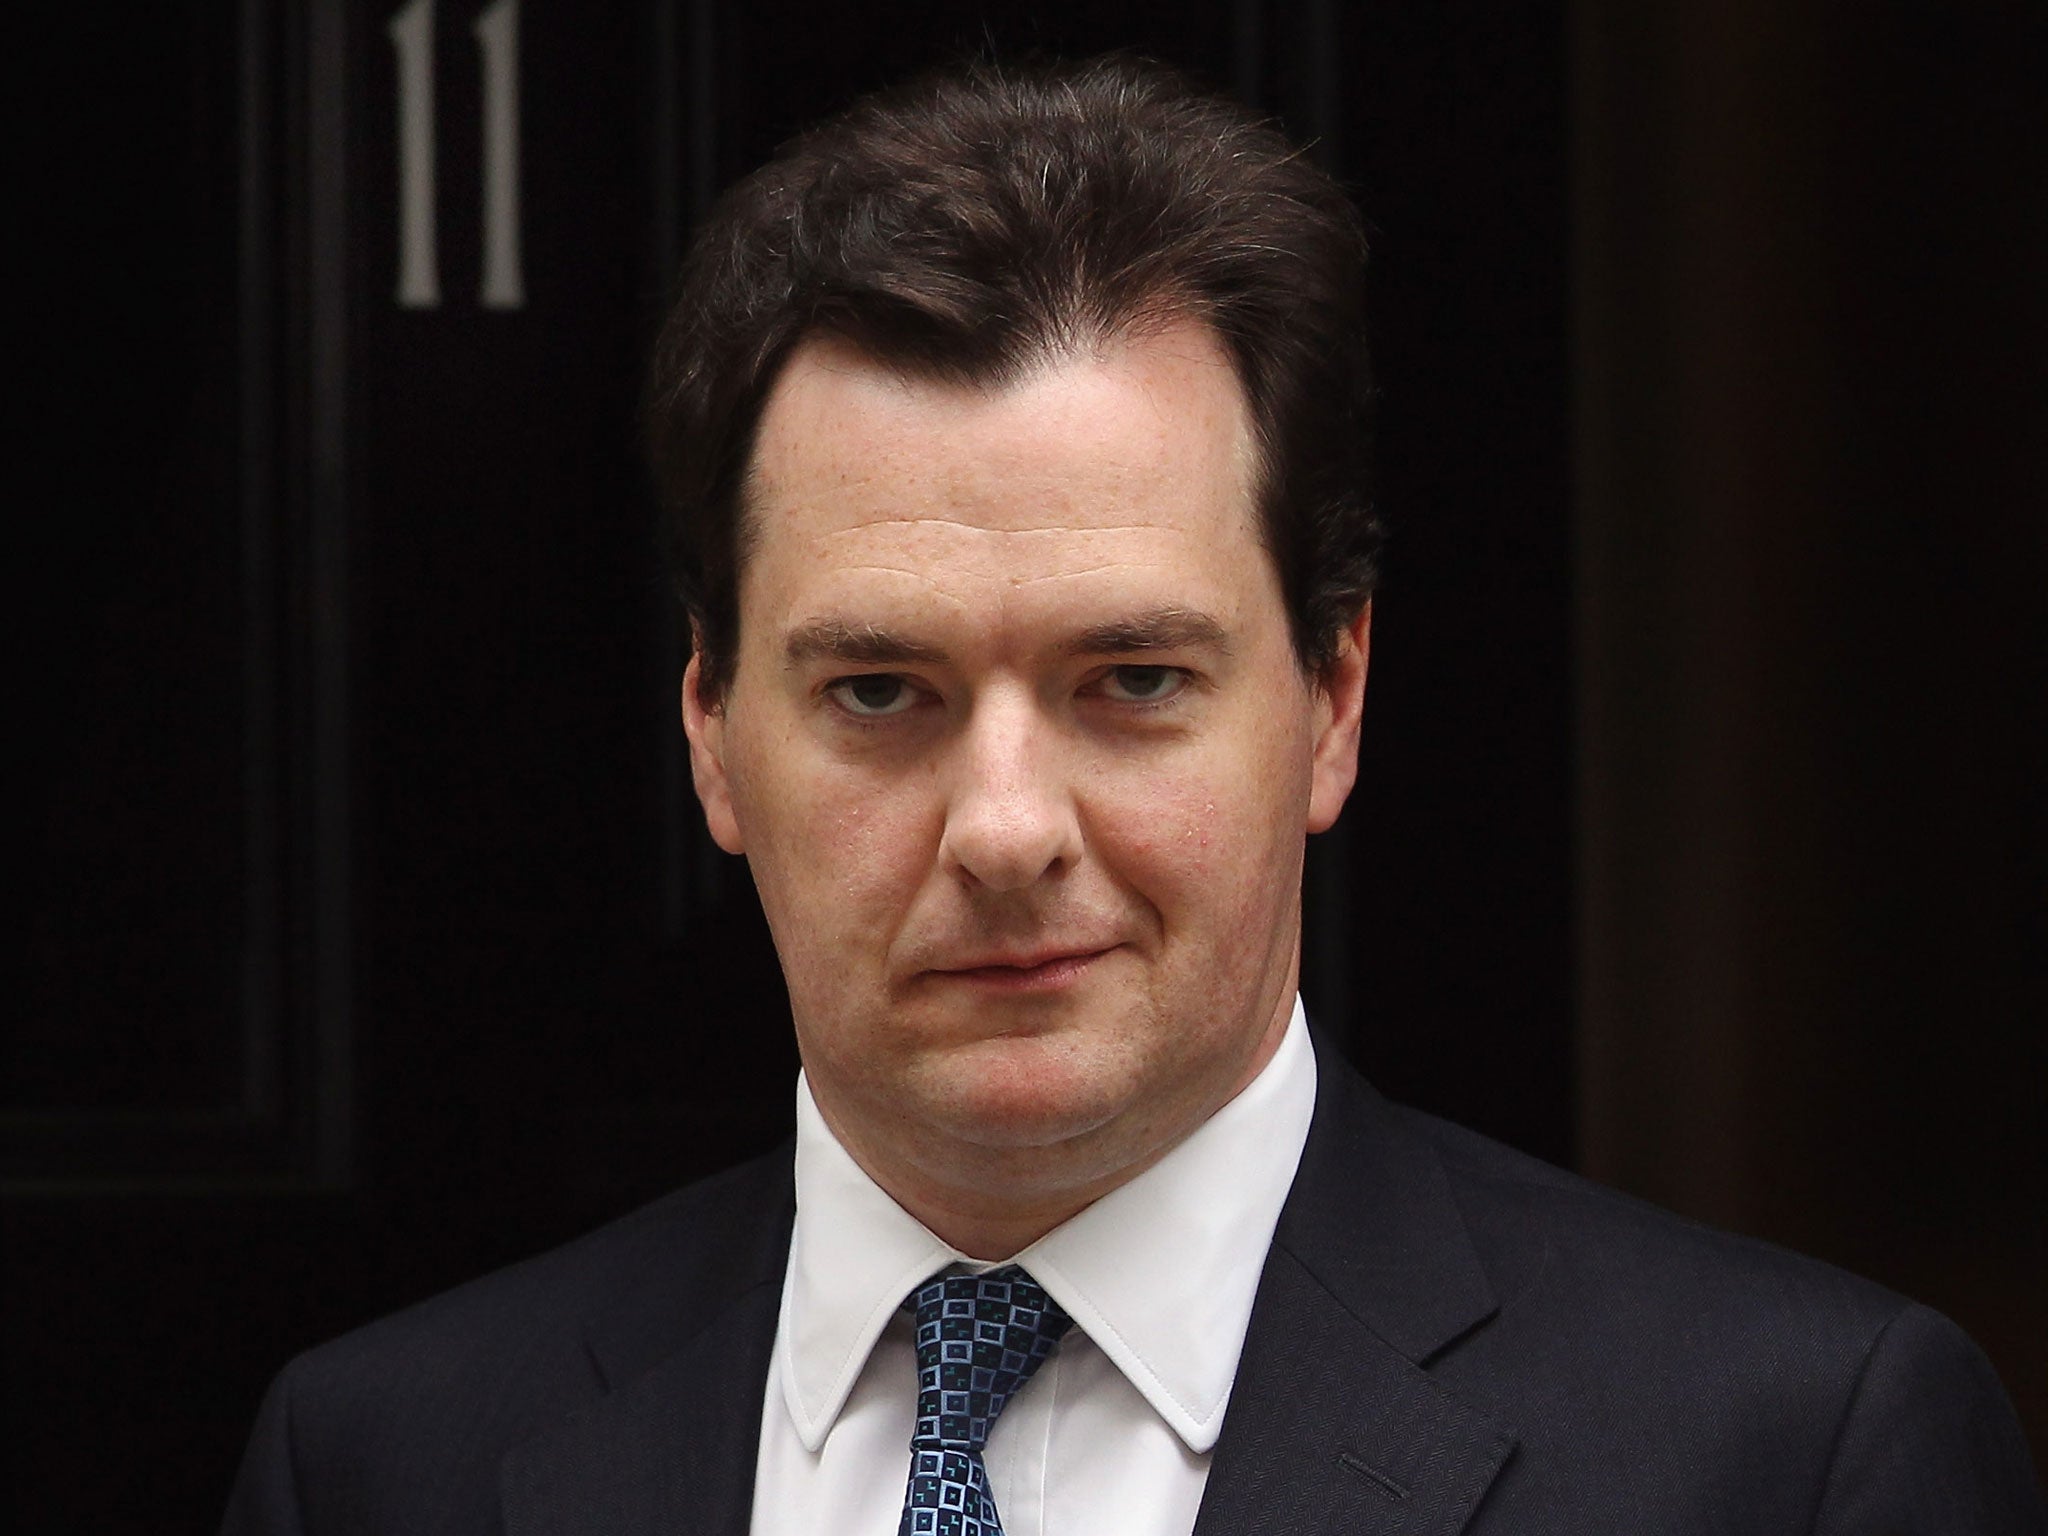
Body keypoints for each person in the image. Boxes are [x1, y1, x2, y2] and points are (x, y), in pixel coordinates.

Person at [222, 54, 2043, 1536]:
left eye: (1133, 682)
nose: (1006, 829)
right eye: (880, 691)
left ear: (1332, 701)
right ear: (710, 730)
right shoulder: (391, 1465)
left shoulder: (1788, 1461)